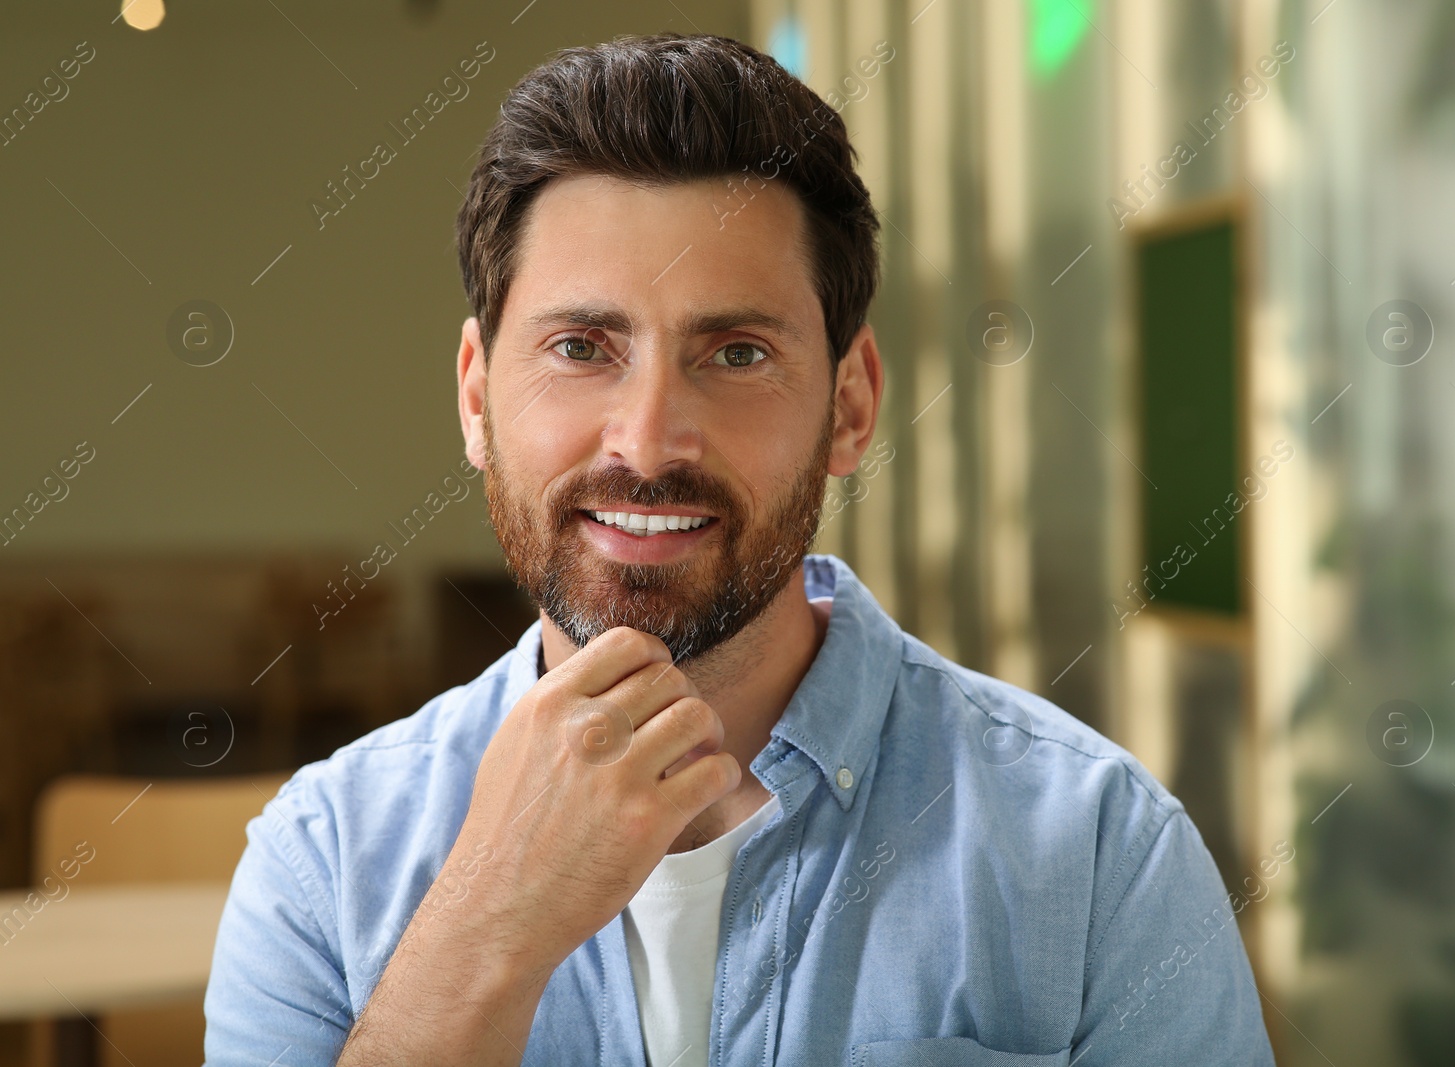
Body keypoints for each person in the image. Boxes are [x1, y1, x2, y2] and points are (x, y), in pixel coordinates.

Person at [203, 32, 1275, 1066]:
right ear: (477, 395)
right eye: (582, 347)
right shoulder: (322, 863)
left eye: (736, 351)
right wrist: (487, 922)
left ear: (849, 406)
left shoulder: (1097, 852)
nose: (648, 438)